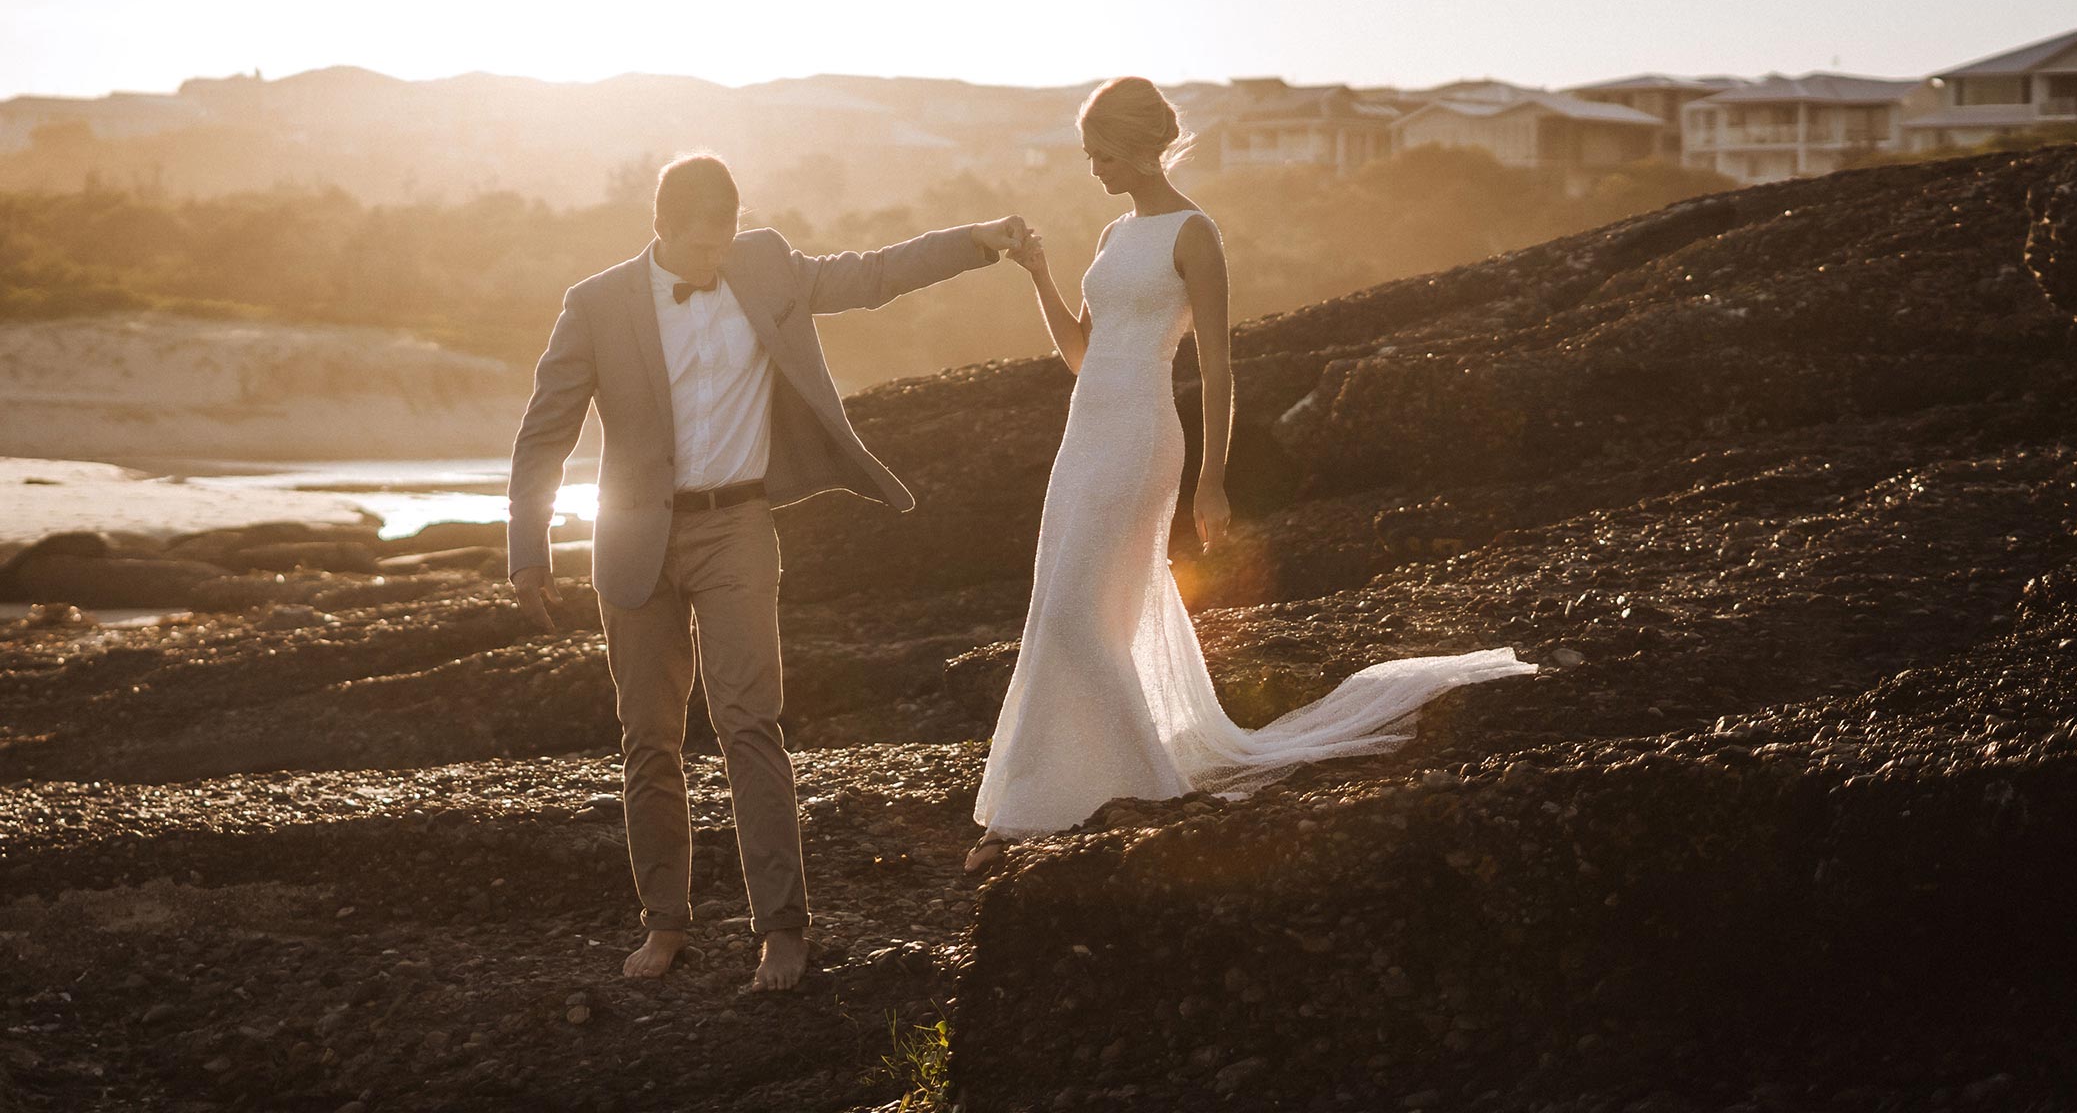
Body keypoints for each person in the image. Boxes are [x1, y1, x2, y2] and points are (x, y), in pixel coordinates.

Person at [965, 78, 1533, 871]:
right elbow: (1081, 358)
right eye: (1088, 152)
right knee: (1073, 608)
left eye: (1101, 151)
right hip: (1084, 434)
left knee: (1072, 617)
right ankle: (1065, 795)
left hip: (1139, 437)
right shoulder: (1109, 236)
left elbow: (1221, 370)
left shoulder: (1195, 234)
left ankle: (1126, 793)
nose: (1091, 165)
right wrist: (1037, 273)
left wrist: (1212, 480)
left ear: (1136, 145)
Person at [507, 152, 1023, 988]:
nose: (721, 256)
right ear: (664, 228)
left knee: (751, 724)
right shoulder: (596, 304)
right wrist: (528, 549)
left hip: (739, 526)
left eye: (730, 237)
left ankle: (782, 930)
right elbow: (546, 430)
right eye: (707, 244)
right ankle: (665, 925)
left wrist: (978, 241)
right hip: (635, 538)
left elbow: (874, 274)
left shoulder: (766, 263)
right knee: (649, 740)